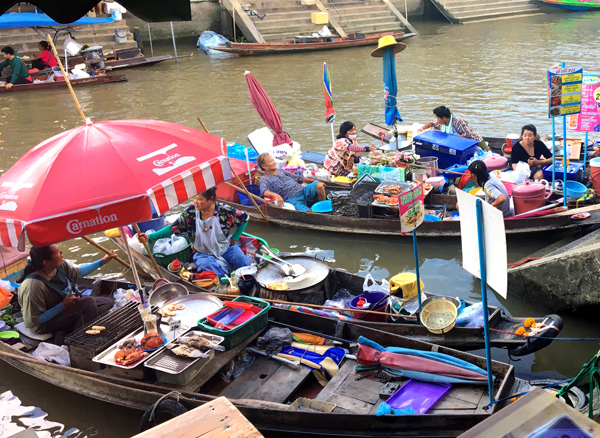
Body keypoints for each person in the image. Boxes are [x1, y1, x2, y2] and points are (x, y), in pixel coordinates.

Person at [137, 187, 250, 278]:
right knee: (212, 272)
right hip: (202, 252)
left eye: (200, 199)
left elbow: (245, 218)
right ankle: (223, 288)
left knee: (242, 261)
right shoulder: (190, 213)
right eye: (194, 198)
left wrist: (234, 238)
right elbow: (173, 228)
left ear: (211, 200)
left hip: (225, 248)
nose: (196, 202)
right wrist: (150, 237)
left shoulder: (225, 211)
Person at [17, 245, 117, 340]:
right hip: (44, 323)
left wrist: (102, 261)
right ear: (46, 262)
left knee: (107, 302)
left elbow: (77, 273)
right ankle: (75, 338)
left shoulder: (59, 266)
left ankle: (67, 328)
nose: (61, 253)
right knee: (88, 303)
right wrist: (63, 305)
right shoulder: (33, 285)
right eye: (57, 252)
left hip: (64, 307)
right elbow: (33, 321)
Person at [256, 153, 326, 212]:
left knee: (319, 185)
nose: (274, 162)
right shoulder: (264, 179)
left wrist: (315, 181)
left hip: (303, 190)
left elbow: (299, 178)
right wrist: (276, 195)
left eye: (273, 160)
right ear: (264, 166)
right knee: (308, 213)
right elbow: (264, 191)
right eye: (270, 161)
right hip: (293, 199)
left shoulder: (281, 171)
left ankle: (323, 207)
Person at [420, 106, 487, 150]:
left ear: (444, 118)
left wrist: (452, 139)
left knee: (486, 154)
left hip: (474, 141)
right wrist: (420, 129)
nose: (437, 119)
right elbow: (431, 123)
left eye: (438, 118)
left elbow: (468, 134)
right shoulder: (440, 121)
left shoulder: (457, 121)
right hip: (456, 142)